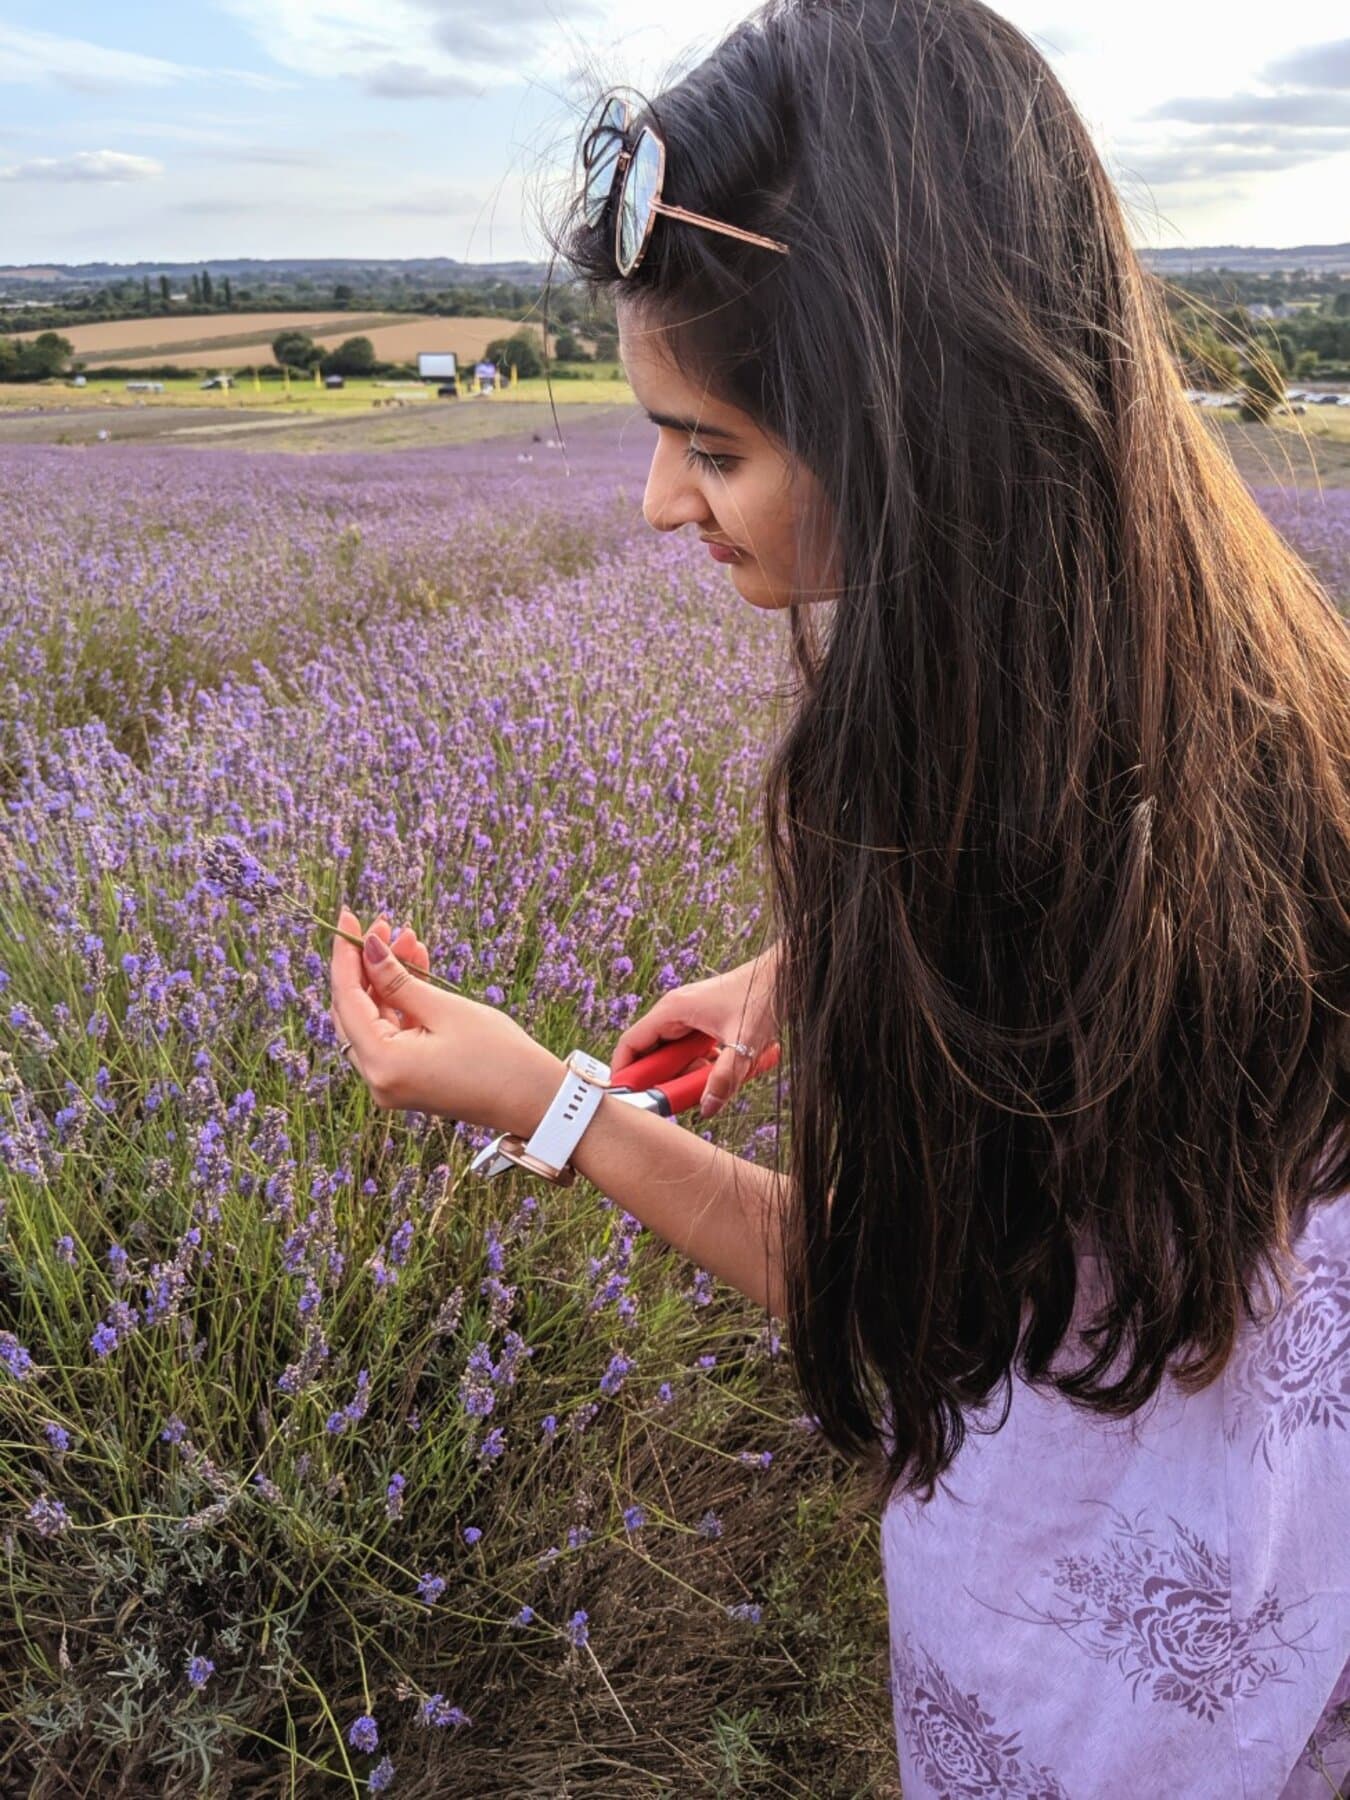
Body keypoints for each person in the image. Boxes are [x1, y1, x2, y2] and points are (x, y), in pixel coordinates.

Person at [328, 1, 1350, 1792]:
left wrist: (547, 1104)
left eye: (712, 448)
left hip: (1097, 1680)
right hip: (1288, 1580)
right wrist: (804, 969)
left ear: (911, 427)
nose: (660, 503)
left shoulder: (958, 858)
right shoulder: (1246, 676)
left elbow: (898, 1325)